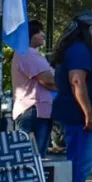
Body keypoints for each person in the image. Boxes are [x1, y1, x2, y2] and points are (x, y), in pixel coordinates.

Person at [51, 11, 92, 182]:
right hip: (79, 116)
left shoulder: (73, 49)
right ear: (91, 29)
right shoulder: (79, 50)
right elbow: (77, 82)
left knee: (81, 161)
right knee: (80, 163)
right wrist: (88, 114)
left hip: (75, 114)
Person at [12, 21, 56, 156]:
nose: (43, 35)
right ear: (29, 35)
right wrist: (70, 87)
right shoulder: (27, 54)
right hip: (33, 111)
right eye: (38, 32)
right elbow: (47, 80)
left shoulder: (28, 54)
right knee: (34, 159)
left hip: (35, 111)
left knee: (35, 158)